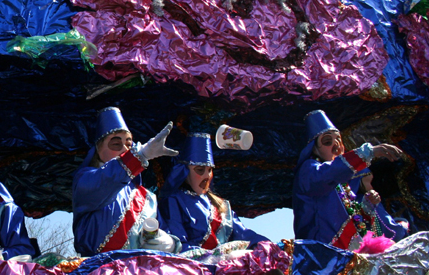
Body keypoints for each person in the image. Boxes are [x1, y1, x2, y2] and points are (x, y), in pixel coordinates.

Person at [71, 107, 180, 257]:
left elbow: (162, 231)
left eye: (129, 145)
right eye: (116, 144)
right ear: (98, 149)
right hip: (98, 273)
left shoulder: (148, 198)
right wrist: (139, 156)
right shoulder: (85, 180)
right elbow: (106, 181)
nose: (124, 149)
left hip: (140, 274)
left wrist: (171, 244)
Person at [293, 110, 408, 250]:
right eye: (328, 141)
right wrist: (368, 152)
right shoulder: (309, 170)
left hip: (349, 254)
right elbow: (328, 174)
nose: (336, 145)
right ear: (315, 149)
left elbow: (355, 220)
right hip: (323, 255)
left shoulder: (342, 183)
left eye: (338, 140)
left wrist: (368, 205)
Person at [160, 133, 268, 252]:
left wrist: (266, 245)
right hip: (192, 266)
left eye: (210, 170)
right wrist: (211, 257)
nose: (207, 176)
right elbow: (177, 243)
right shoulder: (174, 201)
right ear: (184, 172)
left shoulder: (221, 205)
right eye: (200, 170)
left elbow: (243, 234)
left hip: (226, 264)